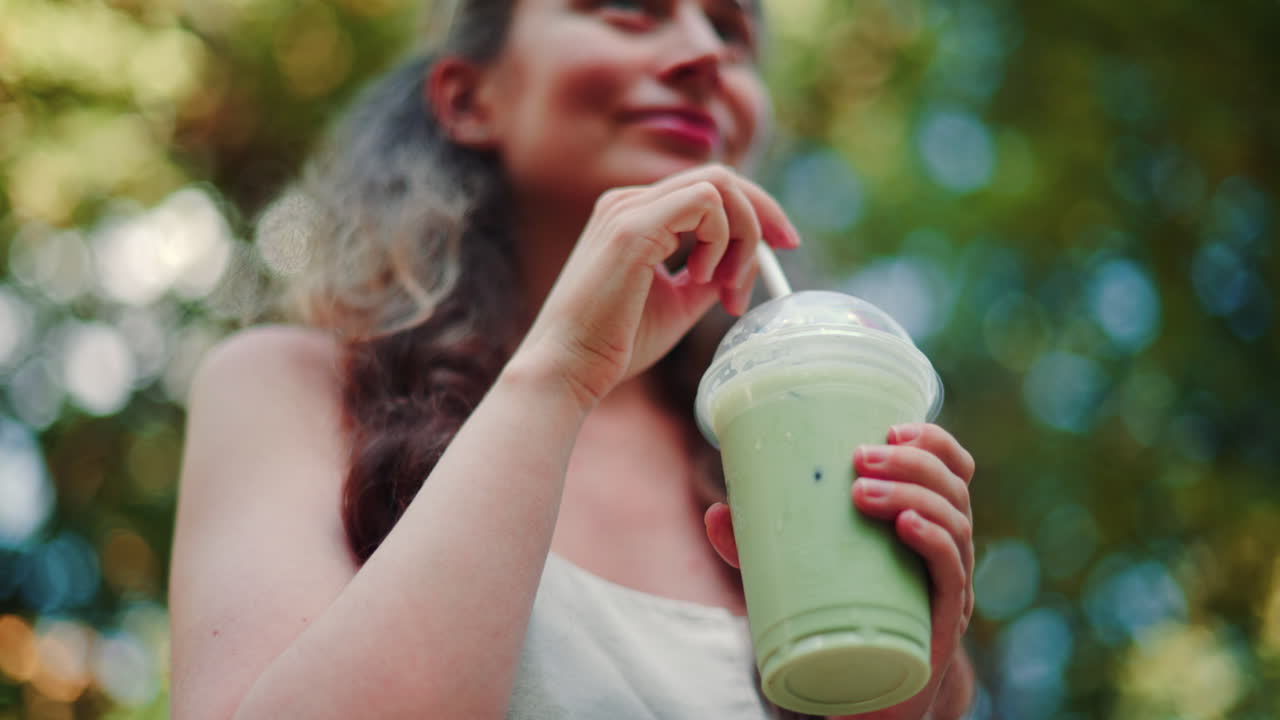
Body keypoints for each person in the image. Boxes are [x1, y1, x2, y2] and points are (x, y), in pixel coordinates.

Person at [168, 0, 978, 718]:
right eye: (628, 7)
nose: (706, 55)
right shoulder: (294, 387)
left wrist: (883, 710)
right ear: (468, 99)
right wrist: (563, 371)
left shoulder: (779, 449)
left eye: (730, 29)